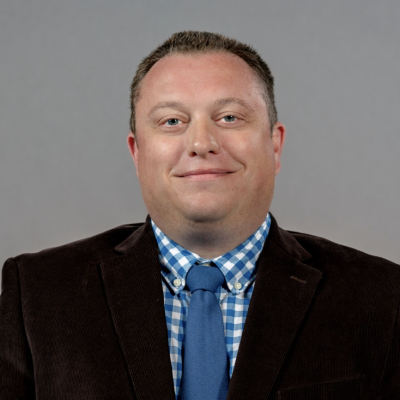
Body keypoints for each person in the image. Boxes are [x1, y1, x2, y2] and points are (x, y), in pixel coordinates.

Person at [1, 31, 399, 399]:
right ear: (137, 153)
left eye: (229, 117)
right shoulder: (38, 295)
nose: (201, 143)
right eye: (172, 121)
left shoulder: (382, 297)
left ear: (274, 145)